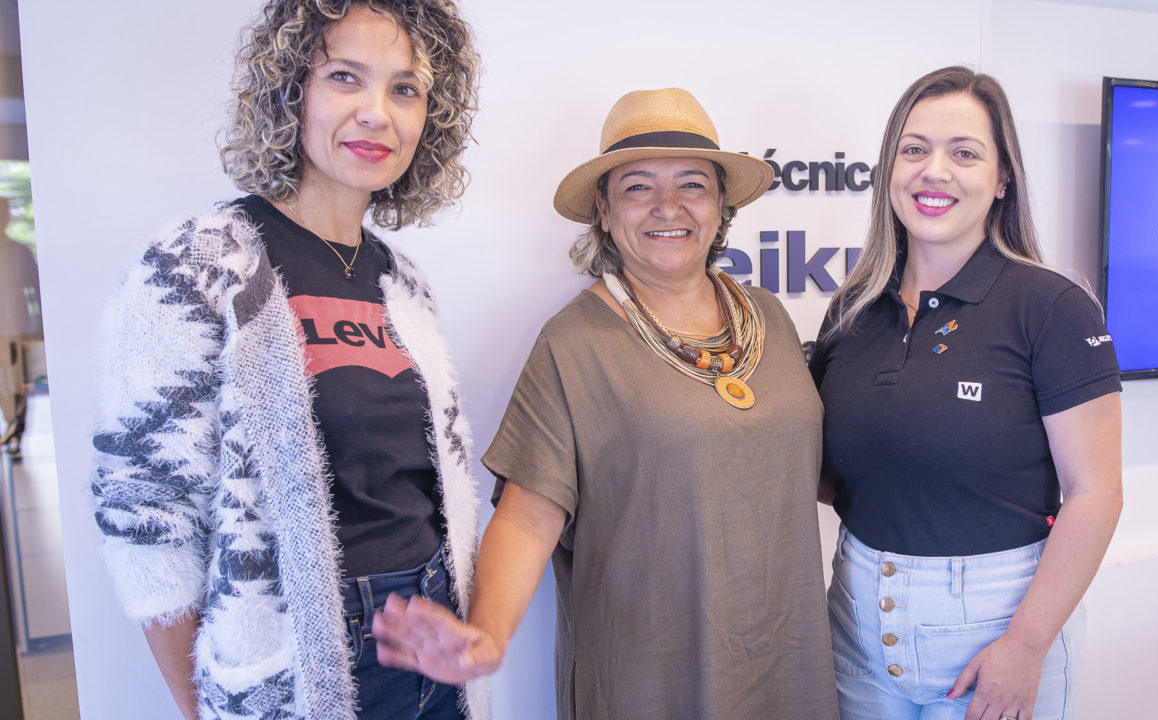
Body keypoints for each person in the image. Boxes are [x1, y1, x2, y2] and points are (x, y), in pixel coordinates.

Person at [371, 88, 839, 719]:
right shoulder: (574, 343)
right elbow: (527, 516)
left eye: (692, 185)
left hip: (789, 670)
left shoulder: (771, 319)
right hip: (648, 683)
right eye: (639, 186)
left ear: (720, 202)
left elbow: (806, 470)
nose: (667, 207)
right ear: (605, 206)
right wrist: (486, 634)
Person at [89, 2, 486, 718]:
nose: (376, 113)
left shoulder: (406, 284)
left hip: (430, 653)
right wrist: (211, 704)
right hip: (296, 673)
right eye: (344, 77)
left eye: (405, 89)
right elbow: (146, 515)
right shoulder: (195, 266)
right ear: (290, 90)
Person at [809, 66, 1123, 720]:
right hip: (857, 629)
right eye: (914, 149)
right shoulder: (852, 308)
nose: (934, 170)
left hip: (997, 633)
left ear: (1002, 177)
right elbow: (835, 471)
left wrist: (1028, 645)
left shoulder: (1051, 307)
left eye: (965, 153)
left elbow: (1096, 493)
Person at [0, 196, 41, 455]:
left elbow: (35, 292)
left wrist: (38, 328)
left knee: (17, 384)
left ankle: (16, 429)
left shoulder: (18, 252)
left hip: (15, 330)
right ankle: (11, 426)